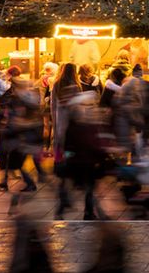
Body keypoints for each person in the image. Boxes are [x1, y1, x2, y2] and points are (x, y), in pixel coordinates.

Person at [57, 92, 108, 220]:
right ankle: (88, 212)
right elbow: (87, 144)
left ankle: (86, 212)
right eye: (89, 105)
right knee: (86, 189)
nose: (92, 108)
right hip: (82, 162)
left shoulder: (86, 124)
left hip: (85, 162)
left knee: (86, 189)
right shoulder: (78, 126)